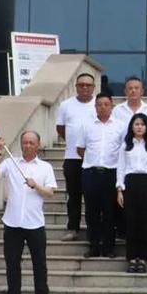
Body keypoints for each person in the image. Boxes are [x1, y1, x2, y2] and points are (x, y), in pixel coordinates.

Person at [0, 132, 56, 294]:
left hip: (35, 223)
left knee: (39, 263)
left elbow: (50, 192)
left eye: (31, 143)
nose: (28, 146)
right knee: (12, 262)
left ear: (38, 145)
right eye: (25, 142)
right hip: (12, 222)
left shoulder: (45, 167)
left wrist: (36, 185)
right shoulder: (11, 163)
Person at [75, 93, 124, 258]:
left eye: (106, 104)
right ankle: (94, 246)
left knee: (110, 211)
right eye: (99, 104)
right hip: (90, 172)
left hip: (111, 172)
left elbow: (124, 150)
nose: (103, 107)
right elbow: (80, 149)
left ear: (112, 106)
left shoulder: (120, 126)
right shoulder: (86, 125)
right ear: (95, 107)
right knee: (91, 211)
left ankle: (109, 247)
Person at [54, 73, 96, 242]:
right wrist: (75, 142)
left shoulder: (99, 104)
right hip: (72, 157)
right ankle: (73, 228)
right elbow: (60, 128)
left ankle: (95, 230)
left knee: (93, 196)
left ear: (93, 87)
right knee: (74, 195)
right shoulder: (66, 105)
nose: (85, 88)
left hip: (94, 159)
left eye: (88, 85)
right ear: (76, 87)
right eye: (81, 85)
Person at [116, 113, 147, 274]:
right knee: (131, 222)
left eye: (142, 124)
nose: (139, 127)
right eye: (136, 124)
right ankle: (132, 258)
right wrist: (119, 189)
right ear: (132, 127)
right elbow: (121, 167)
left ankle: (143, 258)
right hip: (130, 183)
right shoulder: (125, 146)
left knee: (145, 222)